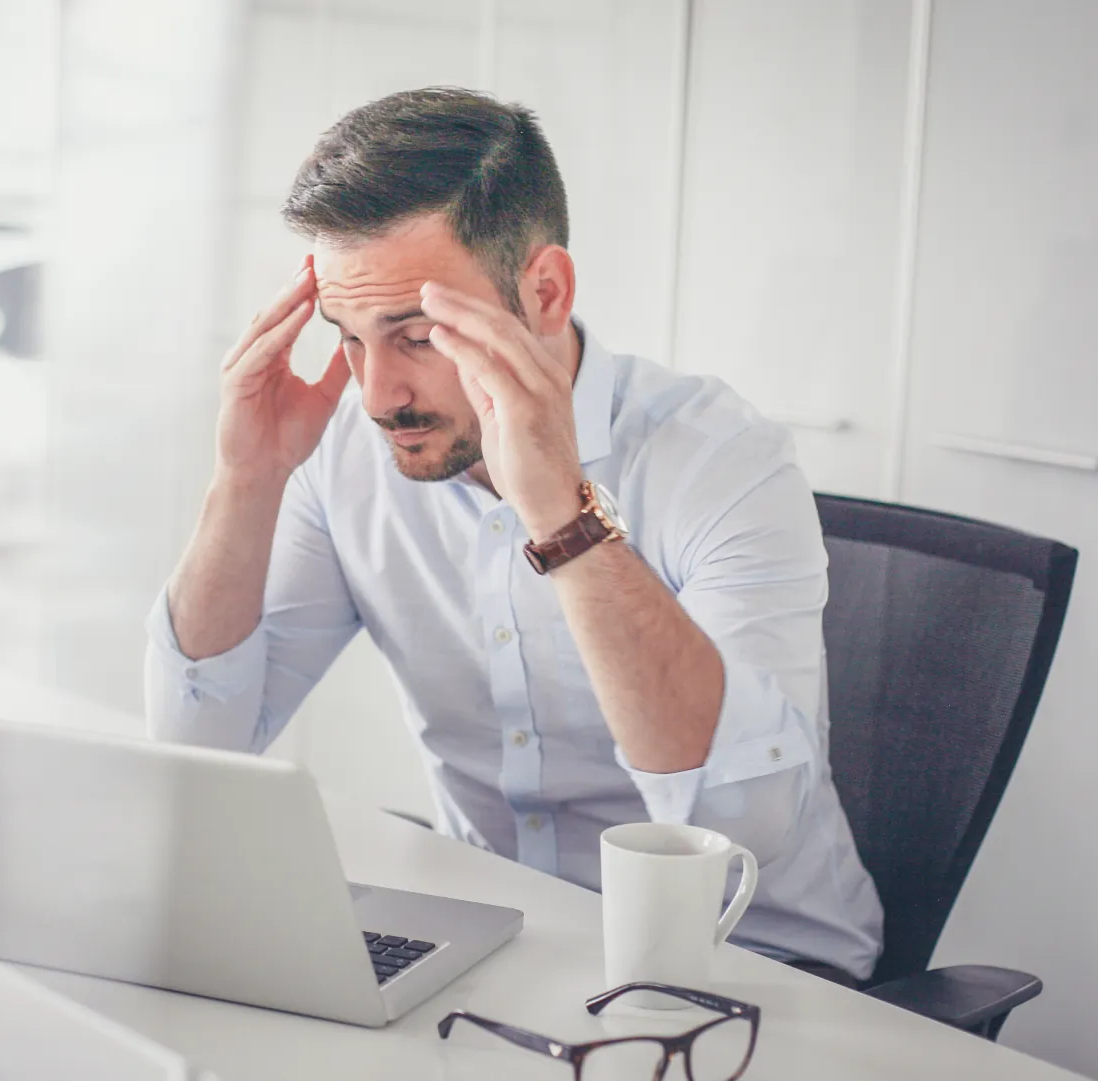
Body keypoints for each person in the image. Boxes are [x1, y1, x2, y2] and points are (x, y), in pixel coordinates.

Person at [143, 87, 882, 983]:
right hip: (503, 953)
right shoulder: (348, 448)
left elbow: (736, 830)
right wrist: (246, 480)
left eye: (416, 335)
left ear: (543, 291)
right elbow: (197, 751)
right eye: (348, 338)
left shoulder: (721, 460)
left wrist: (562, 515)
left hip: (755, 970)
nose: (377, 395)